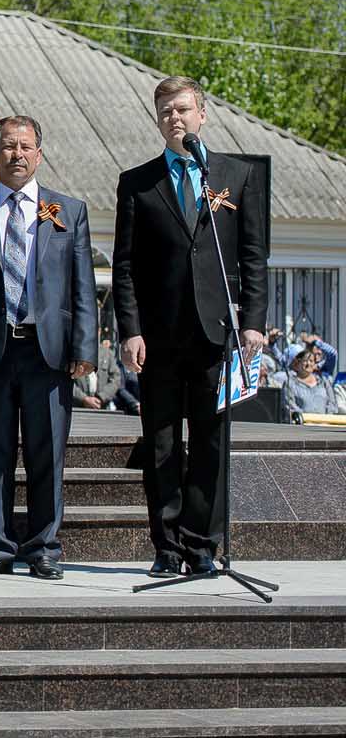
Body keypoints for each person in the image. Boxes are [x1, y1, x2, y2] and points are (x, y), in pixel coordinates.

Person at [113, 75, 269, 578]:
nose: (174, 119)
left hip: (216, 332)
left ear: (202, 114)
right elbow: (125, 265)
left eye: (182, 109)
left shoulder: (235, 176)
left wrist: (254, 322)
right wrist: (130, 329)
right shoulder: (137, 182)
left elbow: (252, 257)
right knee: (160, 443)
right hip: (158, 337)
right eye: (164, 112)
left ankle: (203, 544)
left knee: (210, 442)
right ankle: (167, 544)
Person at [0, 115, 97, 579]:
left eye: (26, 146)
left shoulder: (67, 211)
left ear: (39, 153)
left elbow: (82, 287)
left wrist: (85, 347)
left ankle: (44, 546)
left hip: (47, 351)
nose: (17, 155)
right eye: (7, 146)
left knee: (46, 451)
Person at [281, 345, 335, 419]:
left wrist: (327, 419)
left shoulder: (324, 382)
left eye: (311, 361)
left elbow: (332, 403)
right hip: (302, 427)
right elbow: (290, 406)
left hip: (325, 425)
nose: (308, 364)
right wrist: (305, 419)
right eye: (305, 361)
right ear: (297, 363)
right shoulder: (289, 383)